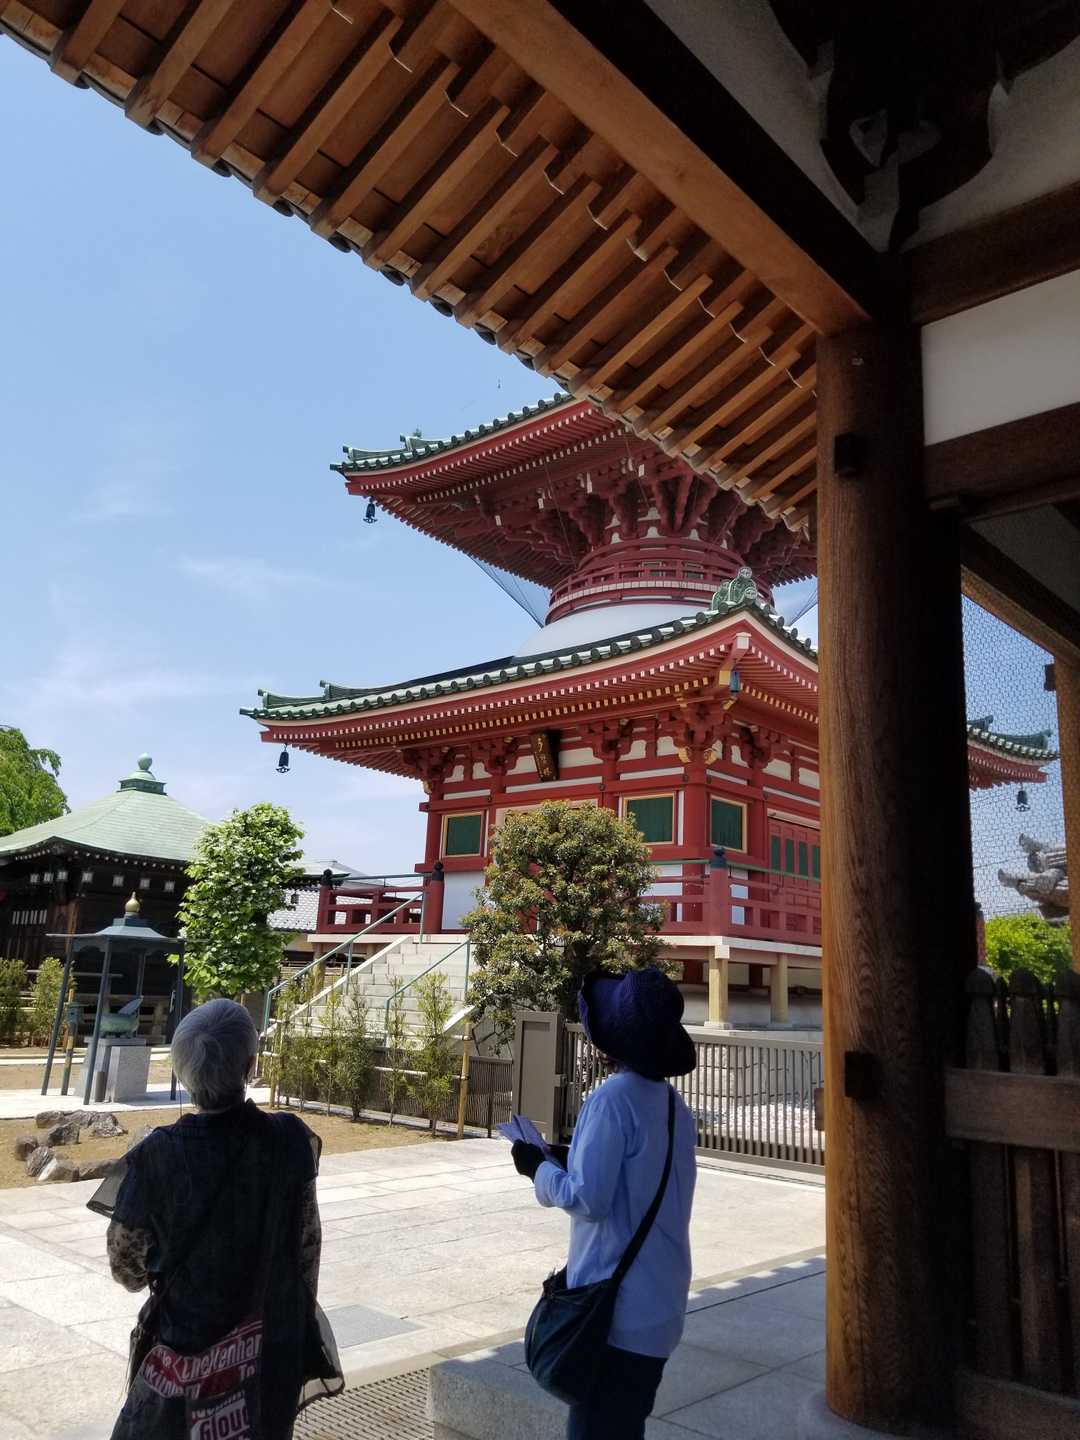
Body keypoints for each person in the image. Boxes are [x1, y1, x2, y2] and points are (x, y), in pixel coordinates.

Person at [92, 998, 342, 1440]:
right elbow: (306, 1248)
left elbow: (126, 1270)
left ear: (182, 1071)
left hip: (183, 1370)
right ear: (250, 1065)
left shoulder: (156, 1157)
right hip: (268, 1362)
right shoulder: (290, 1141)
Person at [511, 967, 698, 1440]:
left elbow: (587, 1199)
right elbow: (636, 1177)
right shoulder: (673, 1106)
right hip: (661, 1301)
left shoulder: (612, 1098)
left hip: (617, 1313)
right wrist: (566, 1158)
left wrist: (537, 1168)